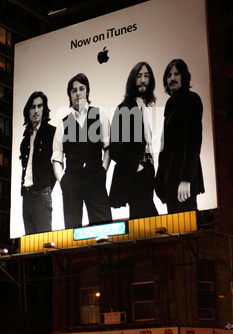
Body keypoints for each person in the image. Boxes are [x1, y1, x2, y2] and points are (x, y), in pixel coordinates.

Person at [52, 73, 112, 228]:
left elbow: (108, 148)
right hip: (72, 181)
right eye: (73, 90)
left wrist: (102, 171)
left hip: (95, 177)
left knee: (103, 228)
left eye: (81, 88)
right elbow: (57, 158)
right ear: (69, 95)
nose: (78, 93)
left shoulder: (99, 114)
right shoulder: (63, 124)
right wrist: (63, 181)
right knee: (72, 232)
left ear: (87, 91)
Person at [109, 62, 158, 219]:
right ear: (132, 80)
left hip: (146, 173)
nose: (143, 79)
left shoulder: (143, 107)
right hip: (135, 176)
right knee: (149, 223)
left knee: (145, 225)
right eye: (139, 76)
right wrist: (138, 168)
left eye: (146, 75)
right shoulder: (124, 108)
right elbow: (116, 149)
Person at [155, 59, 205, 213]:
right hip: (170, 180)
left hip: (183, 181)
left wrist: (186, 178)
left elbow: (193, 142)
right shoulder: (170, 104)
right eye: (169, 75)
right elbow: (166, 148)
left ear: (184, 77)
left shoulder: (191, 99)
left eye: (176, 73)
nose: (172, 78)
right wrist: (160, 181)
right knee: (176, 230)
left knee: (186, 230)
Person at [20, 91, 56, 235]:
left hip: (41, 193)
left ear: (44, 109)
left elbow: (57, 164)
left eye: (39, 106)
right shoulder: (25, 139)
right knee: (30, 244)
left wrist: (46, 188)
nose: (36, 111)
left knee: (44, 243)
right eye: (32, 107)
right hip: (26, 194)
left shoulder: (51, 132)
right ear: (28, 111)